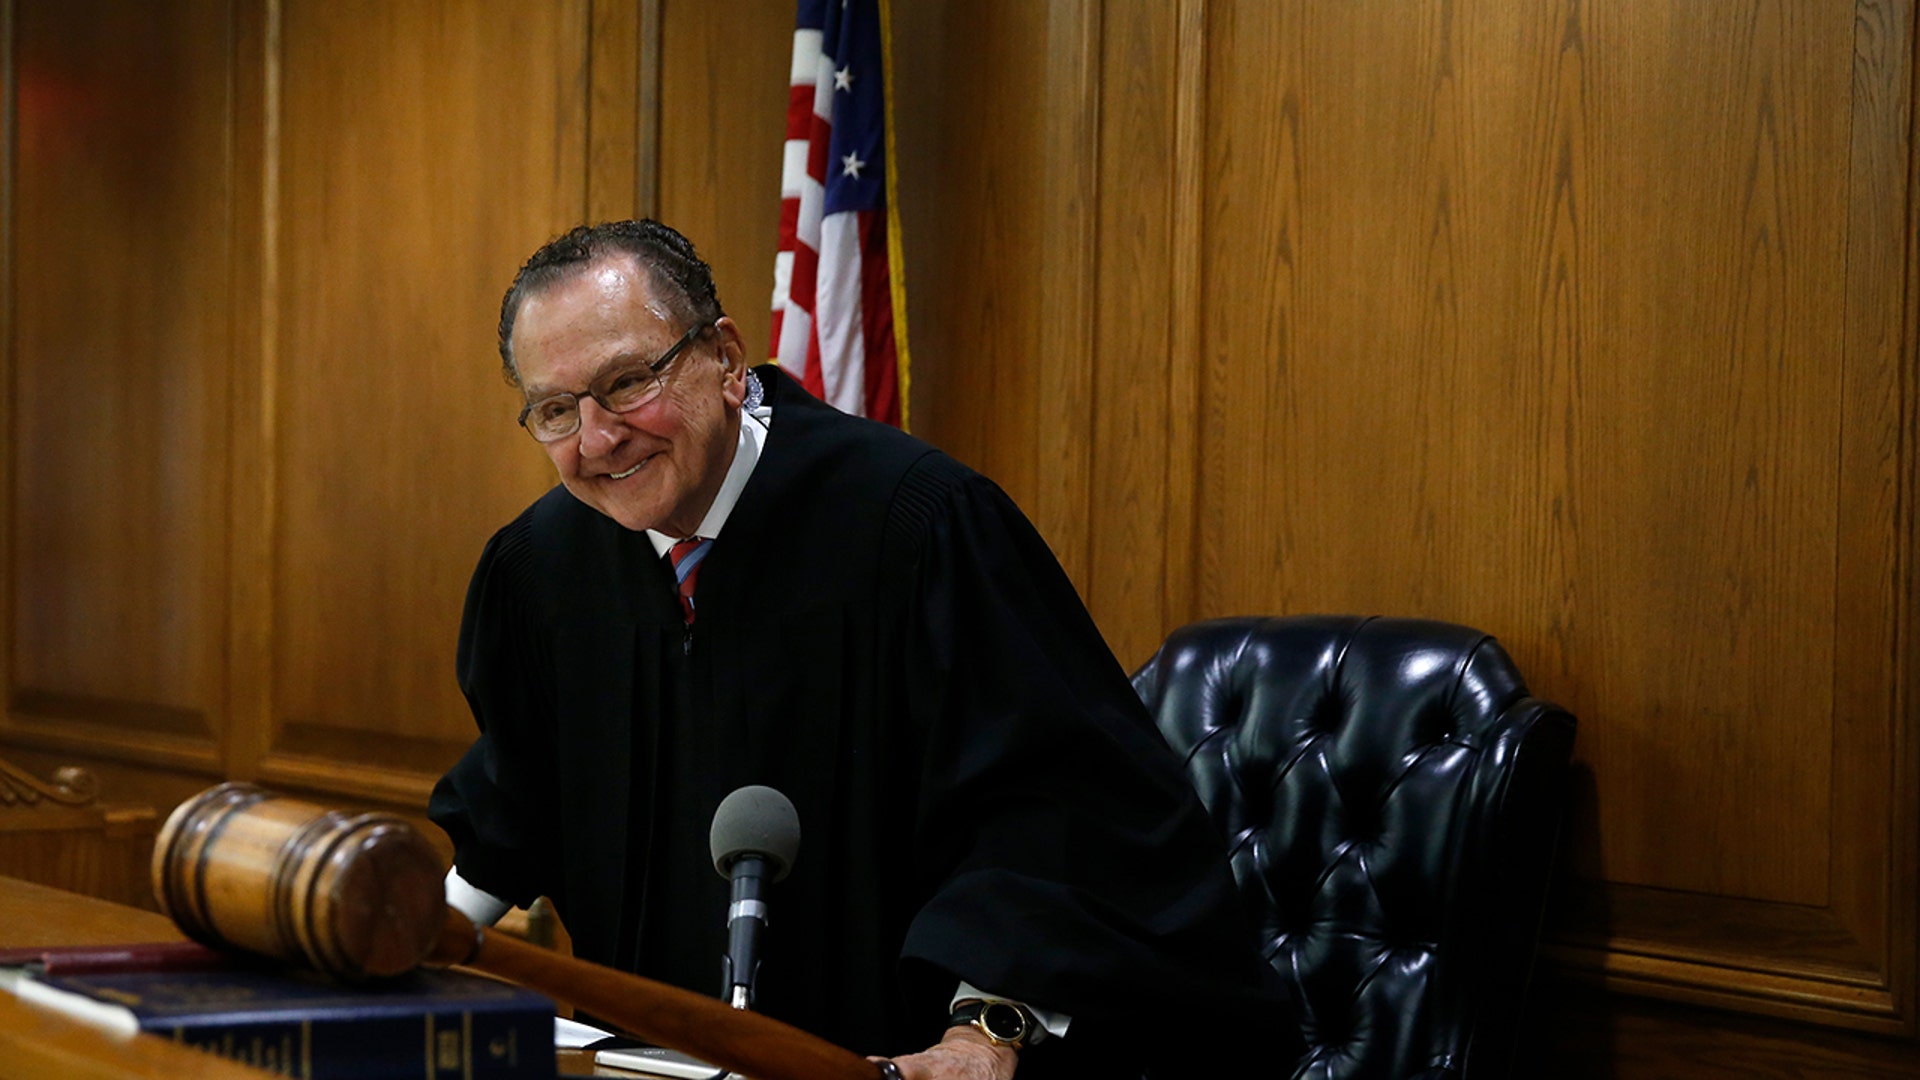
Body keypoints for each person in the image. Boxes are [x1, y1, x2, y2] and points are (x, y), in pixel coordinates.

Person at [428, 220, 1291, 1078]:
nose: (598, 438)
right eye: (554, 410)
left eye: (627, 382)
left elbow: (1059, 815)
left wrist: (983, 1037)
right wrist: (402, 934)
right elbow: (518, 791)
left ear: (725, 361)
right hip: (651, 1064)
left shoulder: (918, 528)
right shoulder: (539, 568)